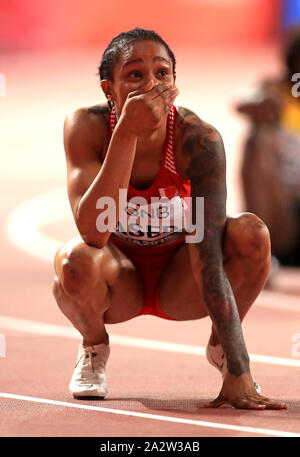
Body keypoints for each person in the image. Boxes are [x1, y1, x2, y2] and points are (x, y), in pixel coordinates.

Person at [53, 28, 287, 410]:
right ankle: (94, 345)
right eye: (134, 74)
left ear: (175, 84)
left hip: (181, 280)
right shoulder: (86, 126)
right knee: (74, 261)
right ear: (108, 89)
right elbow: (92, 232)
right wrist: (126, 133)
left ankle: (220, 348)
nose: (151, 84)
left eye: (162, 73)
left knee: (251, 234)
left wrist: (238, 365)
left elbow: (207, 253)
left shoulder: (198, 140)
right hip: (118, 280)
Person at [236, 25, 300, 268]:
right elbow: (242, 100)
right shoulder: (276, 94)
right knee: (256, 138)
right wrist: (258, 107)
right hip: (283, 218)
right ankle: (257, 248)